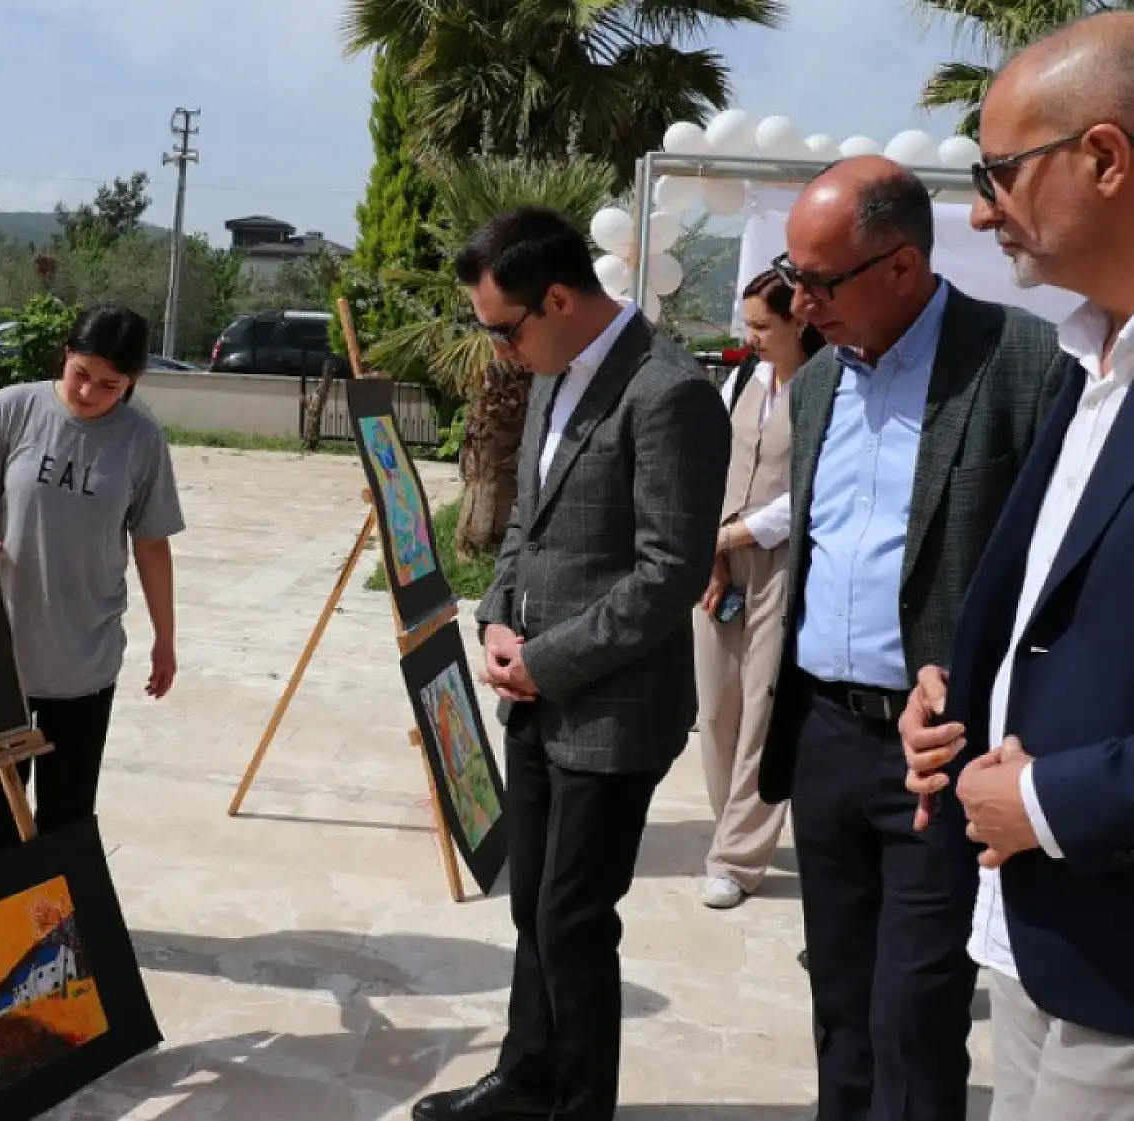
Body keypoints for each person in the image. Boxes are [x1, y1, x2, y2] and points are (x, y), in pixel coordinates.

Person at [754, 156, 1075, 1121]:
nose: (799, 303)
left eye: (819, 282)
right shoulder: (816, 387)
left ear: (899, 266)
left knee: (914, 1009)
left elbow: (1049, 570)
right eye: (791, 277)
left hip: (938, 752)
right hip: (821, 733)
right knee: (840, 1002)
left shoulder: (1021, 363)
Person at [412, 207, 731, 1121]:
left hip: (613, 709)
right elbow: (526, 522)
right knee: (533, 911)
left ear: (557, 297)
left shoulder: (667, 391)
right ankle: (526, 1075)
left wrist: (546, 659)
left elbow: (670, 574)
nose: (499, 350)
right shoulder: (554, 375)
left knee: (575, 921)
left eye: (503, 328)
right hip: (536, 694)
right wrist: (496, 621)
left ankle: (578, 1105)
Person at [900, 14, 1134, 1118]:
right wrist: (958, 686)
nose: (980, 209)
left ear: (1102, 157)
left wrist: (1044, 799)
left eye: (998, 170)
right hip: (1034, 934)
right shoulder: (1083, 360)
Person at [0, 305, 183, 858]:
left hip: (85, 656)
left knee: (67, 814)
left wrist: (165, 639)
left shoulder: (140, 440)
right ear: (66, 353)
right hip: (1, 652)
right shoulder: (12, 410)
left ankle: (56, 937)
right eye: (81, 373)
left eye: (111, 386)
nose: (89, 393)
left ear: (134, 383)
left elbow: (152, 542)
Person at [693, 268, 825, 910]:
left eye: (763, 326)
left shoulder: (826, 390)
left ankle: (738, 858)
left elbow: (799, 501)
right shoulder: (741, 380)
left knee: (761, 710)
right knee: (716, 708)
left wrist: (725, 540)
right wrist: (712, 557)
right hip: (720, 559)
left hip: (782, 565)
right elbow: (710, 463)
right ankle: (729, 829)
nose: (751, 336)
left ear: (800, 322)